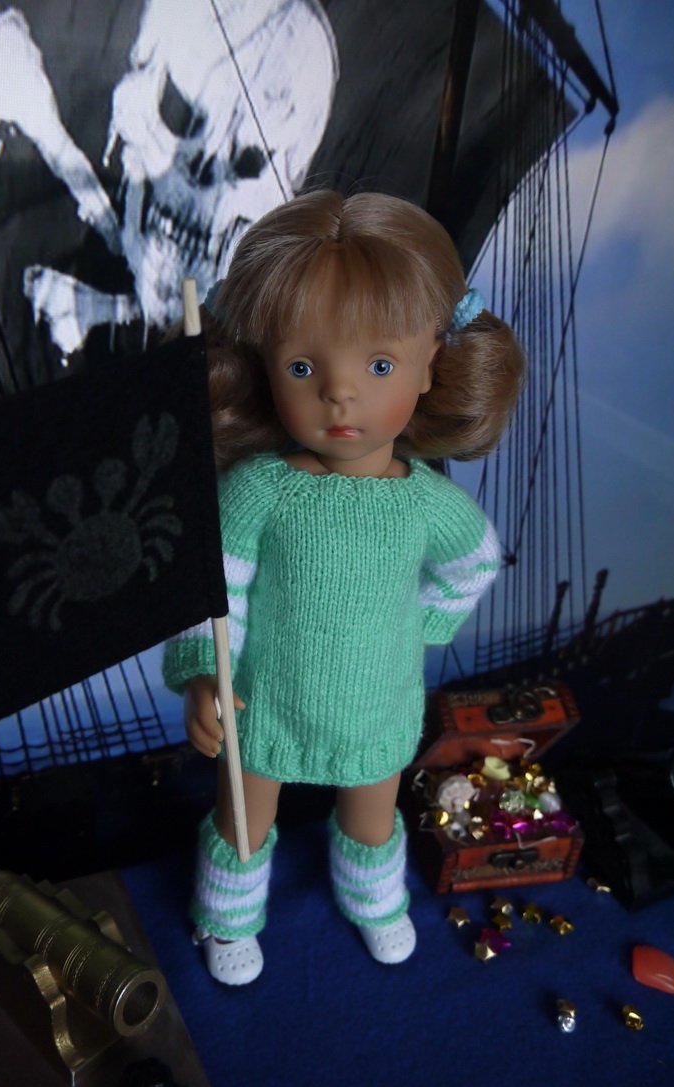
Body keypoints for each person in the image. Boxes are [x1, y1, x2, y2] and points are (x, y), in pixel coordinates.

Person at [162, 190, 524, 985]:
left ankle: (375, 899)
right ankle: (226, 915)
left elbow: (474, 561)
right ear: (266, 368)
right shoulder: (261, 490)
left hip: (377, 701)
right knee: (244, 810)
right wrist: (204, 672)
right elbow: (214, 590)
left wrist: (421, 626)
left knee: (372, 811)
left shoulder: (425, 503)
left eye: (379, 364)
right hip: (265, 700)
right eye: (302, 366)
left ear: (432, 364)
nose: (340, 392)